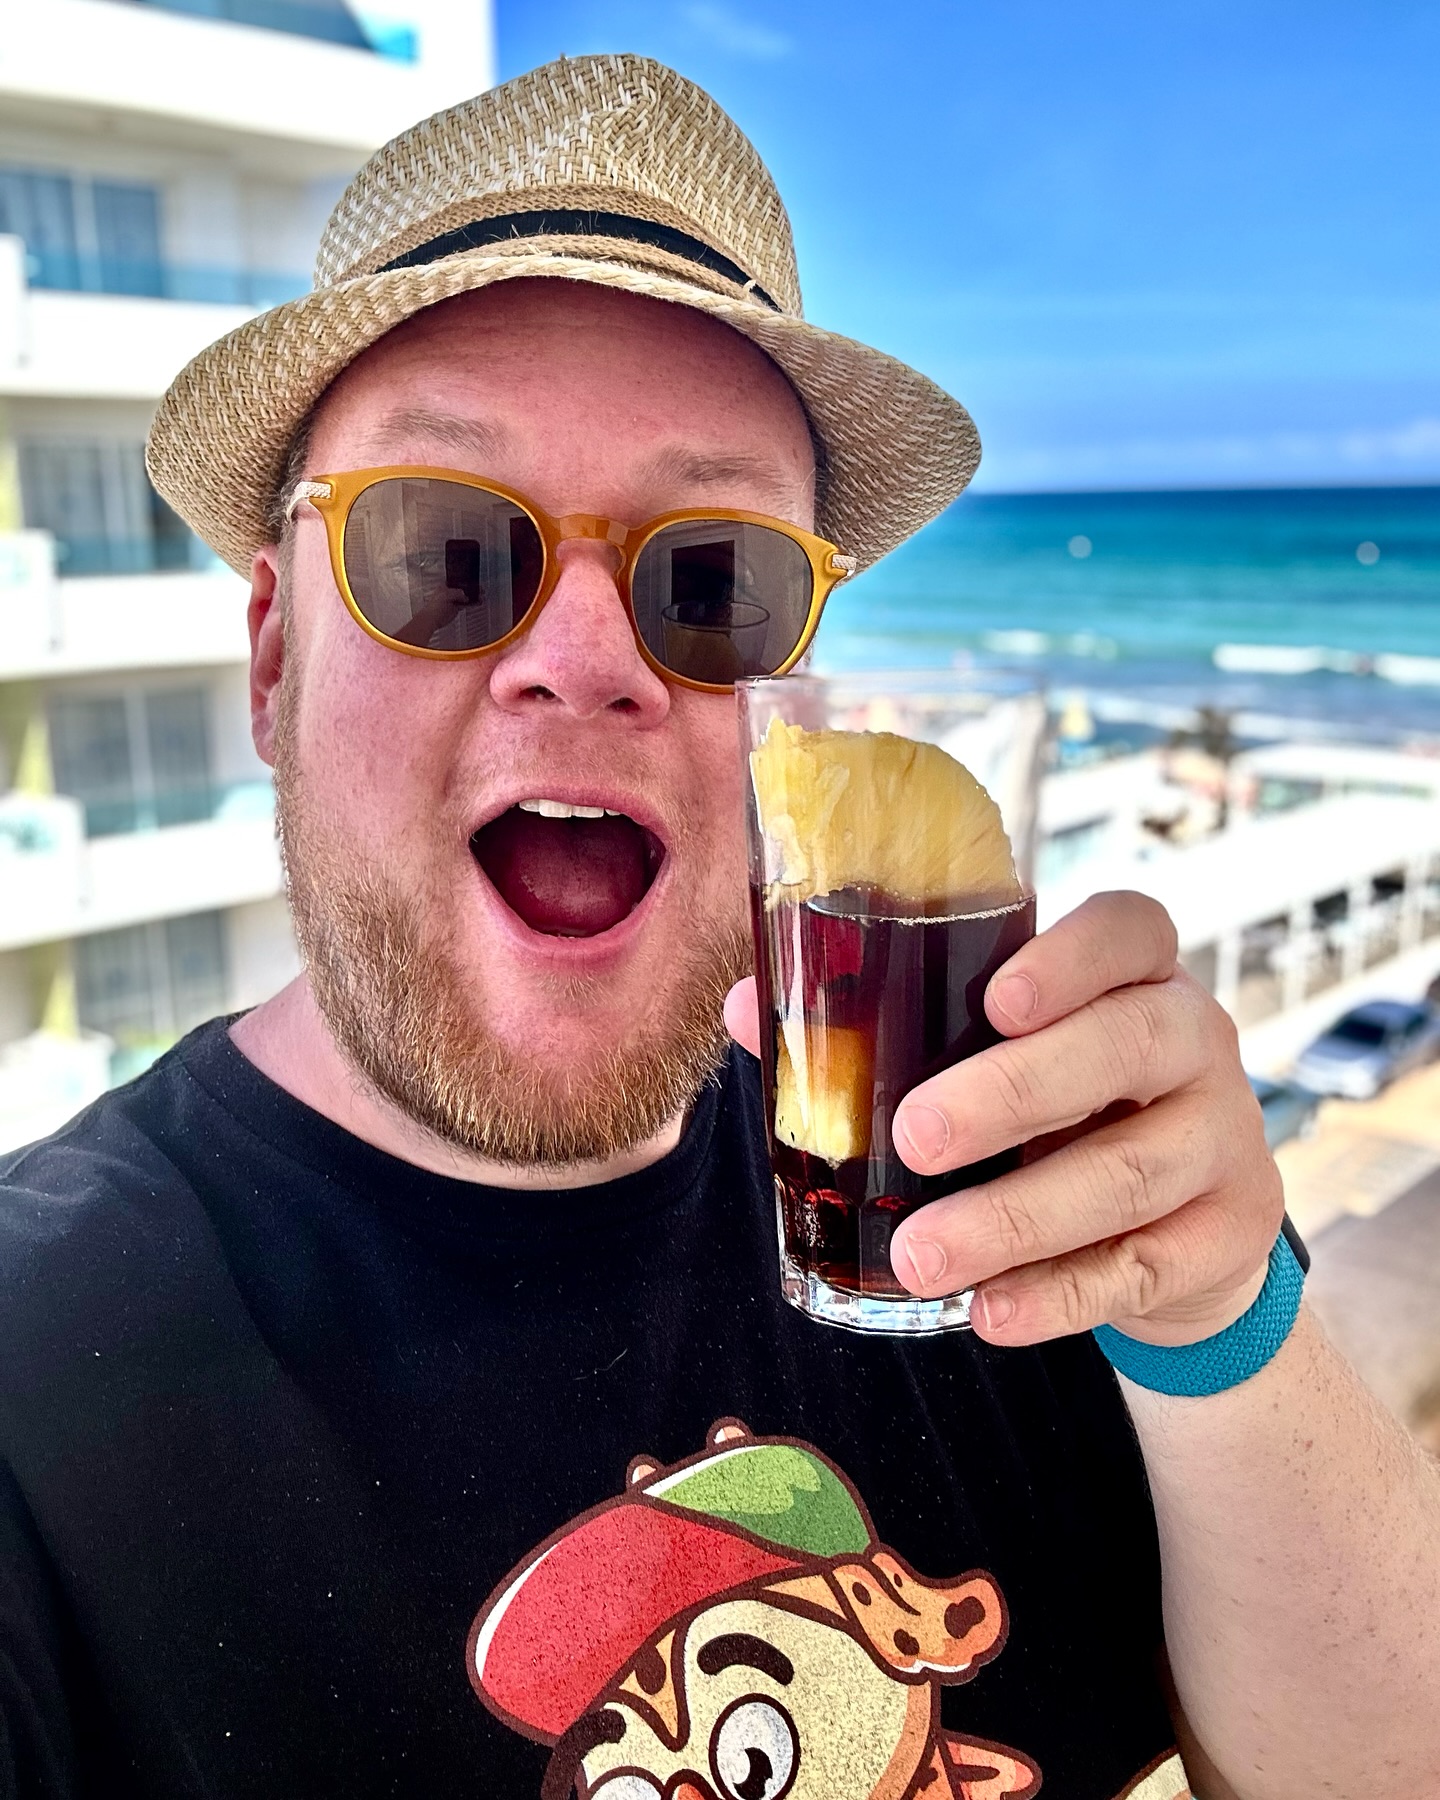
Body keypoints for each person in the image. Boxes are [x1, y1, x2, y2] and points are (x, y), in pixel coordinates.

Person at [1, 54, 1436, 1800]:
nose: (587, 658)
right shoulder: (38, 1378)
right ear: (274, 656)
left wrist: (1216, 1315)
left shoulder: (974, 1202)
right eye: (443, 551)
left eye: (713, 581)